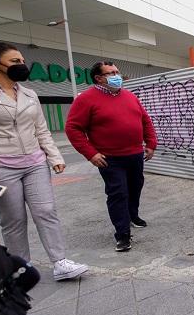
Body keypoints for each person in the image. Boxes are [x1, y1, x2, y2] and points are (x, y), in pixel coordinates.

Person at [0, 42, 88, 281]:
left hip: (34, 162)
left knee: (46, 210)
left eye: (22, 60)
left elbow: (41, 130)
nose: (22, 65)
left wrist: (54, 156)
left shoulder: (29, 93)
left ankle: (60, 262)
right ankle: (21, 267)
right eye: (14, 61)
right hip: (1, 165)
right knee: (14, 219)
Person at [65, 61, 157, 252]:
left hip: (135, 154)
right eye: (111, 73)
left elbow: (144, 120)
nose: (117, 75)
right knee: (118, 193)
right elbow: (73, 128)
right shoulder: (86, 99)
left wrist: (150, 143)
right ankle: (122, 234)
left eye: (117, 71)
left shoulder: (129, 96)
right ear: (98, 78)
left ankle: (132, 215)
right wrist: (91, 154)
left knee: (135, 187)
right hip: (109, 158)